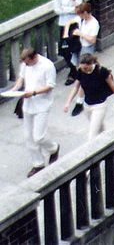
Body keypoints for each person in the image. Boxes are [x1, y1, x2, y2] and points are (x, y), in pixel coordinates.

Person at [8, 47, 59, 177]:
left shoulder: (47, 66)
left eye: (27, 62)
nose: (25, 65)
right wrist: (15, 88)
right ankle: (38, 164)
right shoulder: (26, 65)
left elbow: (50, 85)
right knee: (28, 136)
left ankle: (53, 148)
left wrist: (34, 93)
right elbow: (21, 77)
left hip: (42, 105)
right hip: (28, 104)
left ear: (34, 57)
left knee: (39, 136)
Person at [63, 53, 114, 140]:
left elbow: (111, 84)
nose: (84, 70)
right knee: (99, 127)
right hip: (87, 105)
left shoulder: (101, 71)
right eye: (82, 68)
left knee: (92, 135)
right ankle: (108, 141)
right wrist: (68, 103)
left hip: (100, 105)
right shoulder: (81, 71)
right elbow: (76, 87)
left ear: (91, 64)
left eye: (86, 68)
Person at [65, 2, 100, 116]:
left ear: (85, 13)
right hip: (80, 47)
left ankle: (79, 102)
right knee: (80, 74)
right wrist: (66, 33)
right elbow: (70, 21)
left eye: (80, 14)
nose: (79, 16)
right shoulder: (82, 20)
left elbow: (92, 40)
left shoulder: (94, 24)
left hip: (87, 48)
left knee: (81, 76)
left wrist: (80, 33)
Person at [54, 0, 79, 84]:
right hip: (63, 24)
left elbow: (77, 9)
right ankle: (74, 68)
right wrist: (69, 9)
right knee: (63, 50)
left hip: (73, 23)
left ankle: (73, 73)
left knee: (72, 48)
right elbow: (57, 9)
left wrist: (64, 9)